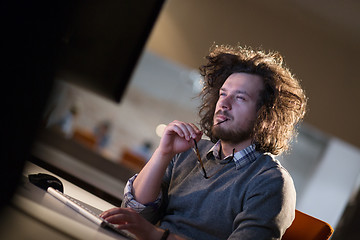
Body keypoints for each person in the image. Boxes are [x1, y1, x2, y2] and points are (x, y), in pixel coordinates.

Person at [100, 44, 307, 240]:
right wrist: (164, 153)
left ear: (265, 115)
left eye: (240, 98)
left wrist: (158, 236)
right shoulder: (188, 151)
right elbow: (135, 215)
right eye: (223, 94)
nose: (223, 104)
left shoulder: (272, 182)